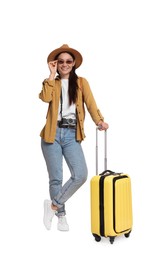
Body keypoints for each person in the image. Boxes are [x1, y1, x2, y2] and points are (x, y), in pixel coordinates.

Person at [39, 44, 109, 231]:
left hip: (71, 135)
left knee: (80, 175)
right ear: (56, 63)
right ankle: (61, 216)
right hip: (51, 135)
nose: (64, 64)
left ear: (74, 63)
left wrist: (99, 120)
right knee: (56, 179)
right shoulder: (51, 82)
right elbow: (45, 98)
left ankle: (52, 206)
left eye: (68, 61)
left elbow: (91, 104)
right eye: (60, 61)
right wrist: (51, 74)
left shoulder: (81, 82)